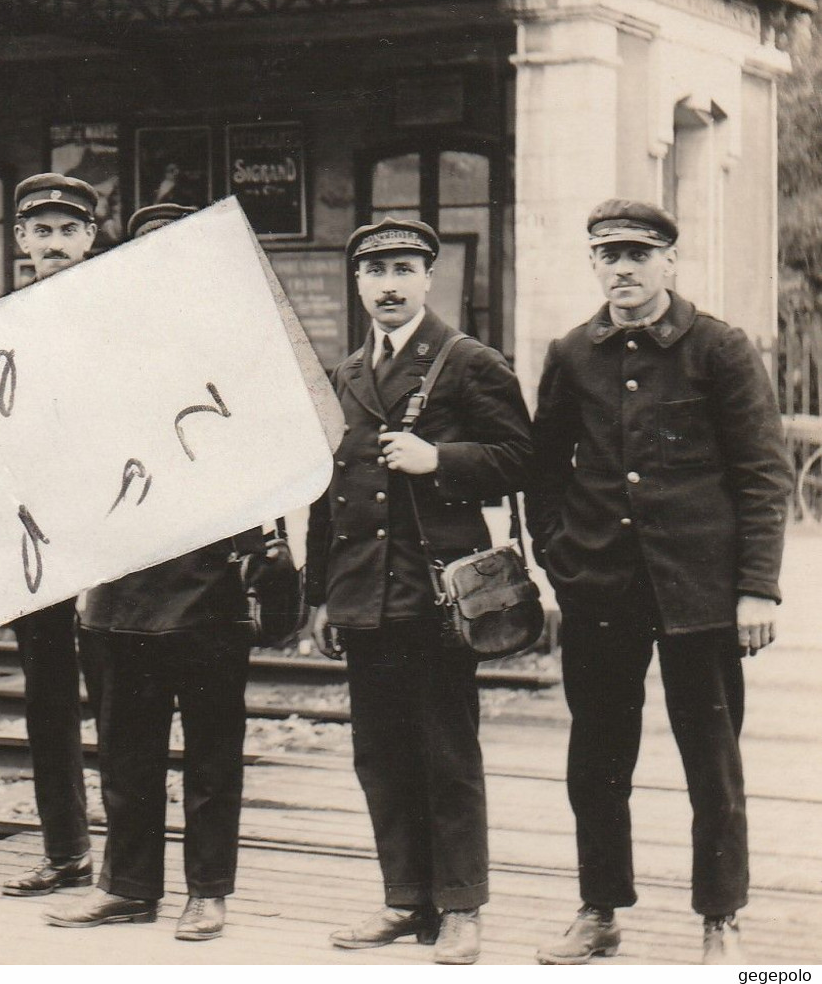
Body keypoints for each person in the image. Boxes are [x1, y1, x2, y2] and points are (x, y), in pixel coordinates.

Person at [527, 200, 792, 966]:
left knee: (710, 761)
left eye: (638, 254)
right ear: (593, 265)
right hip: (600, 592)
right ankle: (599, 910)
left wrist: (755, 588)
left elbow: (761, 476)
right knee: (597, 759)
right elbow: (544, 473)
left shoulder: (719, 348)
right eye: (606, 254)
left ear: (669, 263)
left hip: (698, 594)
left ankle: (719, 917)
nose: (621, 269)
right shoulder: (572, 352)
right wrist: (560, 559)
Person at [304, 218, 531, 964]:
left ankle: (460, 906)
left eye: (403, 268)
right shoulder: (344, 375)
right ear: (359, 283)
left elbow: (520, 459)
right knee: (380, 753)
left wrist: (440, 458)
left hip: (435, 595)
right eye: (375, 271)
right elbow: (324, 491)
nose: (389, 284)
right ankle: (404, 897)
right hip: (363, 595)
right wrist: (318, 595)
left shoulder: (467, 362)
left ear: (429, 277)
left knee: (444, 749)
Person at [44, 202, 271, 941]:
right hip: (117, 587)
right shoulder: (91, 348)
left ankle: (208, 890)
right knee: (126, 752)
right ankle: (129, 885)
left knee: (210, 753)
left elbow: (264, 457)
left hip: (207, 587)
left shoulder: (232, 348)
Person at [0, 172, 106, 897]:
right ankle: (65, 850)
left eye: (67, 230)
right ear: (21, 241)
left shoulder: (115, 313)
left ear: (90, 237)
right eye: (41, 231)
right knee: (48, 702)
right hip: (33, 544)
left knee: (121, 698)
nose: (54, 243)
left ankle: (129, 860)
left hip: (108, 534)